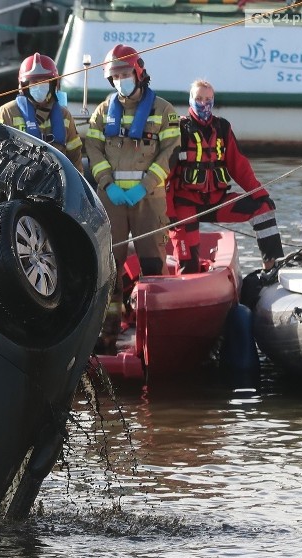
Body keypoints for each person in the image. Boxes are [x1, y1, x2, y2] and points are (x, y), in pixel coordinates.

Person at [84, 44, 181, 354]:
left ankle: (157, 334)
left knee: (153, 266)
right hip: (111, 201)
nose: (121, 80)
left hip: (148, 200)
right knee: (110, 269)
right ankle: (108, 335)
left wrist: (147, 183)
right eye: (115, 76)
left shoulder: (164, 111)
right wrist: (106, 183)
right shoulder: (102, 112)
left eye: (125, 74)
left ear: (138, 72)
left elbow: (171, 153)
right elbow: (93, 150)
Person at [167, 79, 285, 273]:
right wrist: (168, 213)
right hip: (185, 204)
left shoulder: (222, 128)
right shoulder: (177, 129)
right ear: (190, 100)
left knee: (263, 209)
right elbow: (166, 177)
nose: (204, 103)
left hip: (217, 200)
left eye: (208, 99)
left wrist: (260, 193)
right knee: (188, 265)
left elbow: (239, 166)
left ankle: (270, 269)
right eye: (198, 98)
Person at [0, 53, 84, 172]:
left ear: (53, 84)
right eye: (34, 81)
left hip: (58, 183)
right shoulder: (7, 113)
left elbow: (75, 156)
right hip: (20, 184)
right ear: (24, 85)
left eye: (44, 81)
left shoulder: (64, 115)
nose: (39, 86)